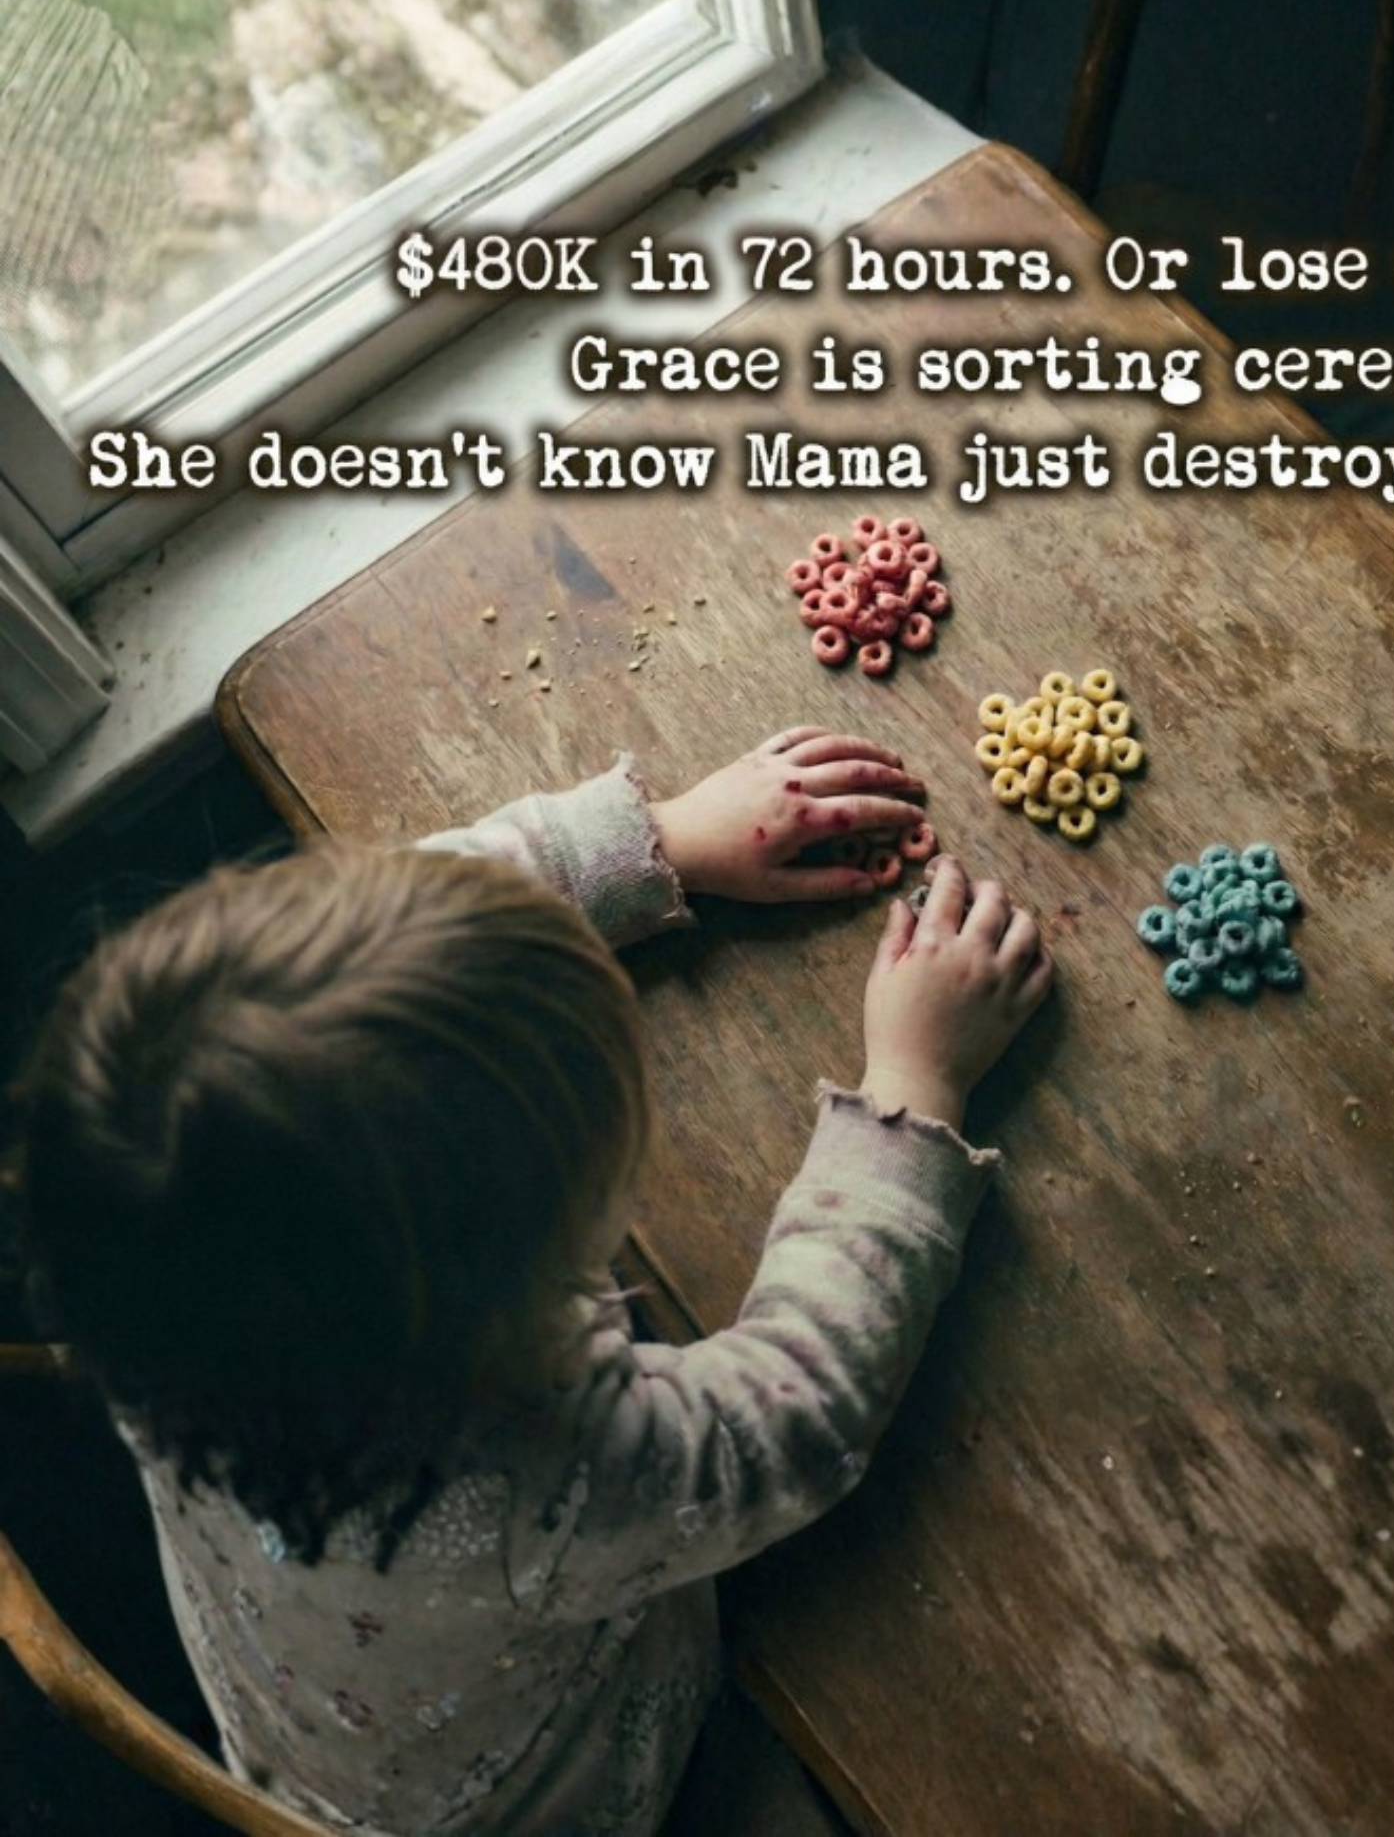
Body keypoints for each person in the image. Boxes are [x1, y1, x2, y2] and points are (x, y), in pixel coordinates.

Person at [11, 726, 1053, 1835]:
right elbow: (794, 1418)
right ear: (521, 1289)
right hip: (543, 1797)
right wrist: (913, 1082)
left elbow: (380, 935)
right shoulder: (540, 1474)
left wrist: (653, 840)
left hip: (317, 1697)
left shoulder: (146, 1242)